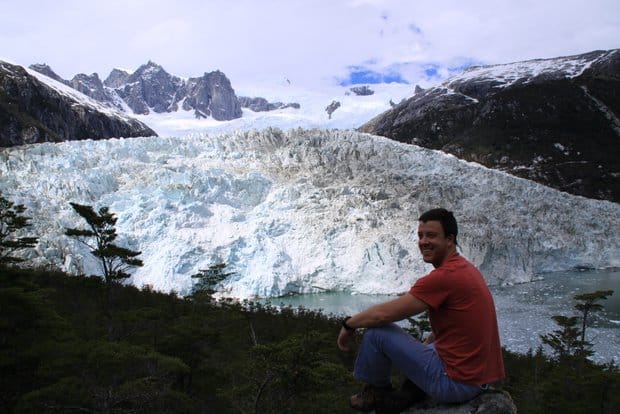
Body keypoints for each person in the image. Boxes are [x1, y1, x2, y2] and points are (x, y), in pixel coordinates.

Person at [337, 208, 505, 412]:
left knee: (376, 333)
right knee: (426, 345)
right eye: (420, 235)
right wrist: (427, 346)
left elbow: (383, 315)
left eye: (431, 235)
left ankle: (377, 390)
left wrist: (349, 324)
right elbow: (458, 324)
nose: (423, 241)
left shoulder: (444, 277)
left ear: (450, 239)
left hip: (457, 384)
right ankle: (413, 390)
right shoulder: (466, 269)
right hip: (479, 379)